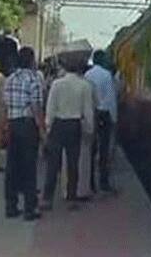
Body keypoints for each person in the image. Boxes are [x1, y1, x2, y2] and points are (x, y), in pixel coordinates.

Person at [41, 55, 95, 210]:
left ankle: (47, 198)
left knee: (53, 163)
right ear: (79, 68)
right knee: (73, 164)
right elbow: (88, 111)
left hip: (58, 124)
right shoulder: (85, 86)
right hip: (75, 125)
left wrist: (48, 126)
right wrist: (89, 130)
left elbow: (50, 108)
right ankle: (71, 198)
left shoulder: (57, 84)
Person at [2, 47, 45, 221]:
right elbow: (36, 107)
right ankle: (29, 208)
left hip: (13, 124)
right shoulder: (33, 79)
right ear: (31, 61)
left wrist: (5, 126)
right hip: (27, 126)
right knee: (29, 167)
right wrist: (42, 129)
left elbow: (4, 105)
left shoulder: (10, 79)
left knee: (12, 167)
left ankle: (11, 206)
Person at [83, 50, 118, 194]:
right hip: (104, 115)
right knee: (103, 151)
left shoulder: (87, 75)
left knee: (91, 149)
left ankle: (90, 183)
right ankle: (103, 183)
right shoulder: (106, 75)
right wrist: (114, 118)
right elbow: (110, 99)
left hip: (91, 113)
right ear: (102, 59)